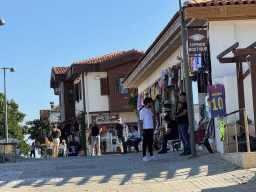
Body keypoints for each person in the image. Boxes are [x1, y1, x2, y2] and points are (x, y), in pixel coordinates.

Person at [140, 97, 157, 162]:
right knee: (145, 143)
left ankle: (151, 155)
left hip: (151, 128)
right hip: (145, 129)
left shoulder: (150, 110)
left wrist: (154, 126)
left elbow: (154, 116)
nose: (152, 103)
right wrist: (141, 130)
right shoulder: (142, 111)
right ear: (148, 102)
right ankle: (144, 156)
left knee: (150, 142)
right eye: (151, 102)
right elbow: (141, 121)